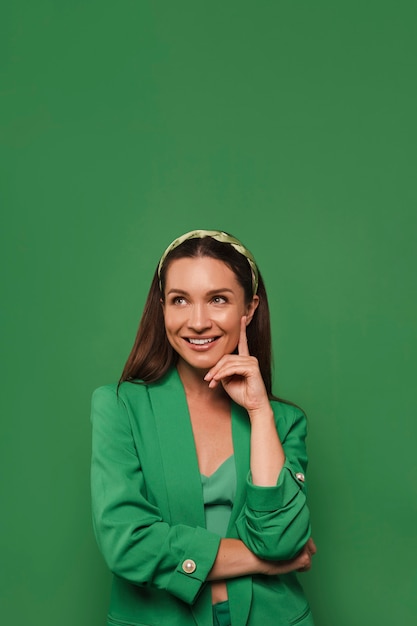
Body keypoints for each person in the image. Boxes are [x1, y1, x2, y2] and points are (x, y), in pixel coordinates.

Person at [91, 229, 316, 626]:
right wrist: (262, 562)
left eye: (218, 300)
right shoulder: (119, 407)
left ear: (248, 309)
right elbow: (127, 545)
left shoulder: (283, 421)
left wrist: (260, 410)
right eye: (180, 300)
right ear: (162, 309)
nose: (197, 322)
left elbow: (282, 538)